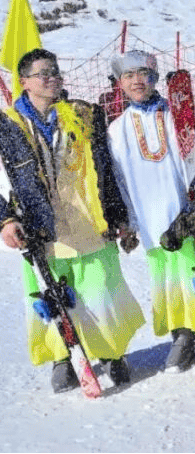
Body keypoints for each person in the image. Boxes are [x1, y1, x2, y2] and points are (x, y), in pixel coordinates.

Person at [0, 48, 145, 392]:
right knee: (49, 298)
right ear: (24, 82)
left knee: (101, 295)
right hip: (40, 230)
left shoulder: (83, 114)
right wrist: (5, 220)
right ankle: (63, 357)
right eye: (43, 73)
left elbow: (106, 169)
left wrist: (118, 215)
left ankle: (113, 354)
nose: (53, 78)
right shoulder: (7, 125)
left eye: (56, 71)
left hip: (90, 225)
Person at [106, 50, 195, 373]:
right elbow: (122, 183)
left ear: (154, 77)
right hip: (153, 223)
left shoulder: (179, 115)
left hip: (190, 212)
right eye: (129, 75)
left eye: (144, 73)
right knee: (168, 280)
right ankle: (183, 335)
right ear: (120, 83)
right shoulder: (116, 130)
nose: (137, 81)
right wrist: (131, 224)